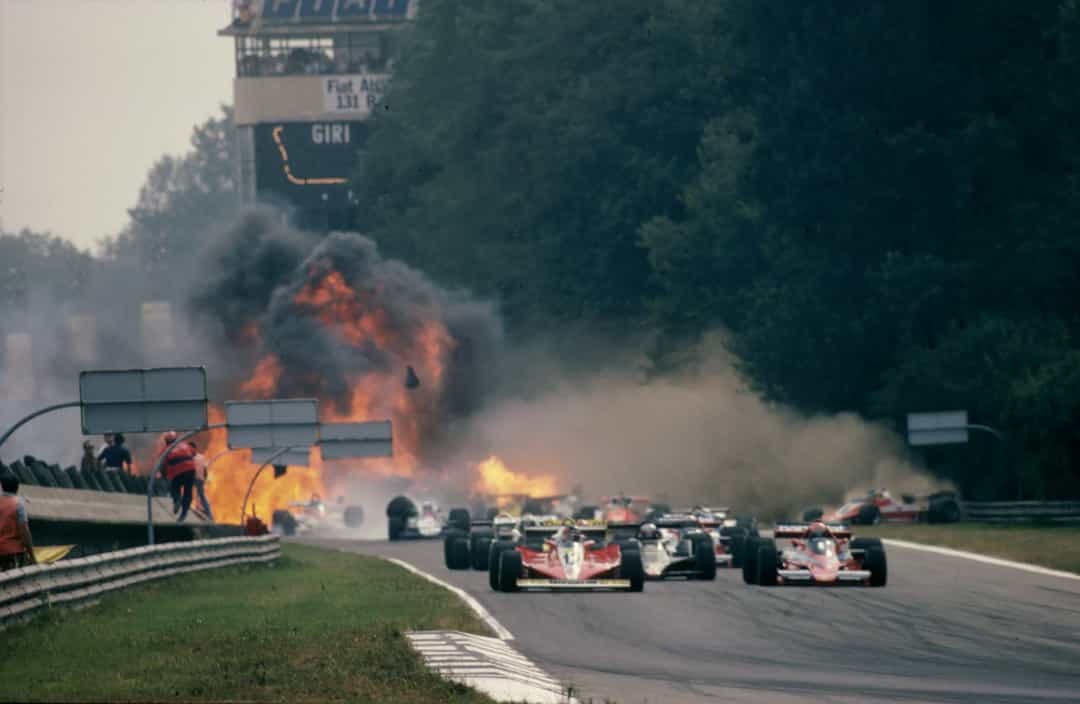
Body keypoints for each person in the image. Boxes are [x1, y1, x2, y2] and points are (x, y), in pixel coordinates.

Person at [0, 473, 36, 571]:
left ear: (2, 486)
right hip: (13, 553)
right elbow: (24, 532)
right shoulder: (18, 504)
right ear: (17, 487)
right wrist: (32, 555)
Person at [160, 431, 197, 522]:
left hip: (177, 471)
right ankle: (184, 513)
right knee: (187, 492)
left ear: (166, 441)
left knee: (175, 487)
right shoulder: (185, 445)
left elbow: (162, 464)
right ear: (176, 439)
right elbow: (194, 452)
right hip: (190, 470)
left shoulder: (166, 449)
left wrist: (164, 474)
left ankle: (177, 500)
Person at [190, 442, 214, 522]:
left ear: (194, 448)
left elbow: (205, 469)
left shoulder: (200, 457)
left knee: (201, 496)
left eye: (191, 449)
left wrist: (204, 478)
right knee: (194, 495)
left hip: (199, 479)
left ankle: (209, 514)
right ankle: (195, 510)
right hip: (193, 479)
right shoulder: (190, 457)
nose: (189, 450)